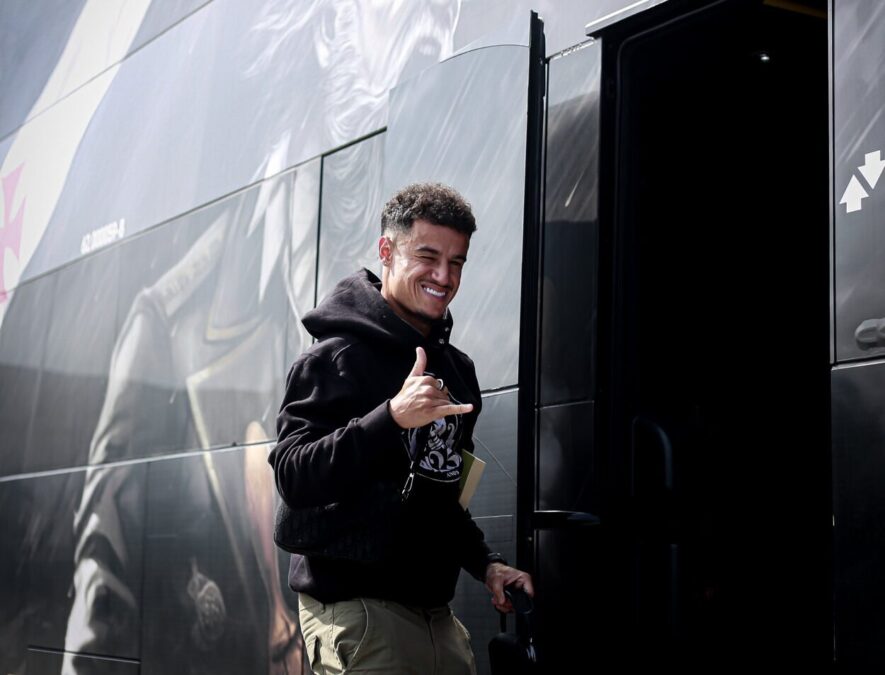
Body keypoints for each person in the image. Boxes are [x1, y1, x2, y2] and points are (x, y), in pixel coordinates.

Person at [269, 182, 533, 674]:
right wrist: (390, 417)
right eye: (428, 257)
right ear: (387, 252)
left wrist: (487, 565)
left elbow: (442, 496)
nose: (443, 276)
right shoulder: (335, 356)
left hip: (436, 617)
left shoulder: (457, 372)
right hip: (357, 612)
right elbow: (292, 475)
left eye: (456, 262)